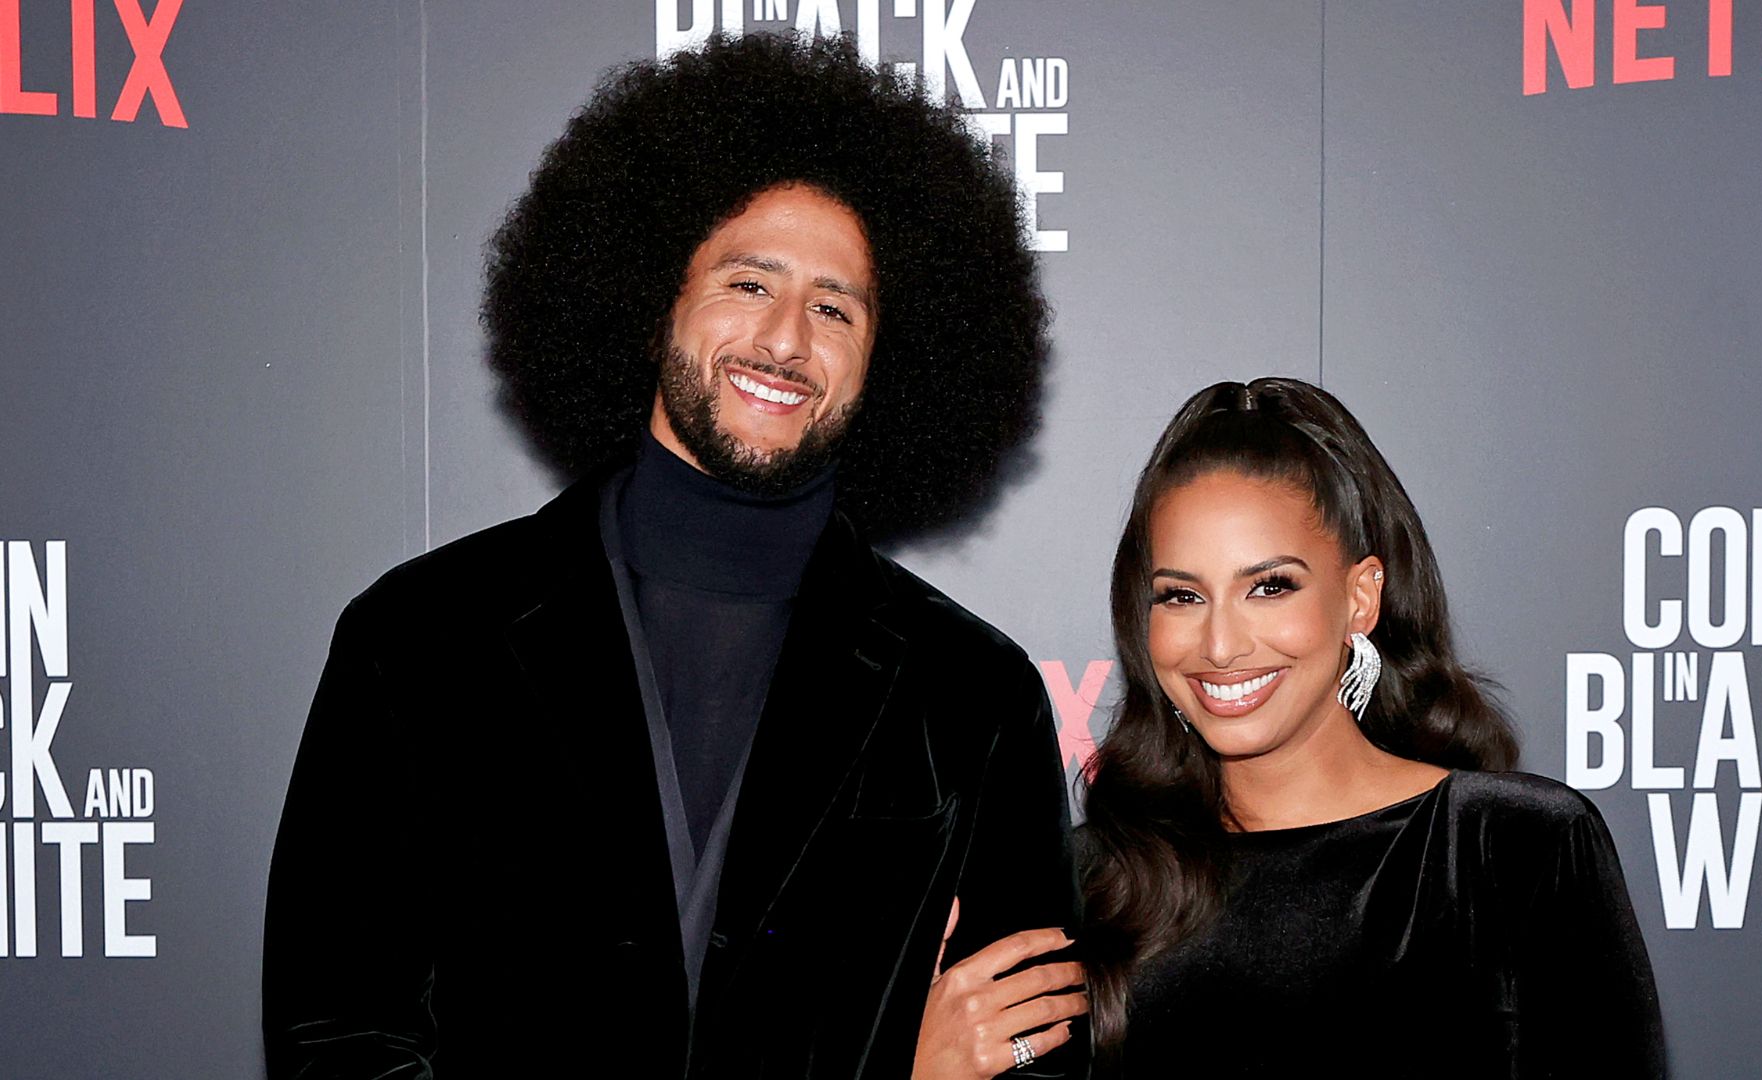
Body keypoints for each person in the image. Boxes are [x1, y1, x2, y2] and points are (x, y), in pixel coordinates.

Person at [263, 33, 1086, 1079]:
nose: (785, 340)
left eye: (834, 307)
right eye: (748, 284)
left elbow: (1037, 1056)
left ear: (891, 357)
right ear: (655, 295)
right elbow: (337, 1036)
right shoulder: (420, 640)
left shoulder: (970, 696)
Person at [1074, 378, 1665, 1076]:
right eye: (1181, 596)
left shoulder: (1510, 847)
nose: (1221, 644)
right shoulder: (1096, 880)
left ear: (1360, 597)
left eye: (1269, 587)